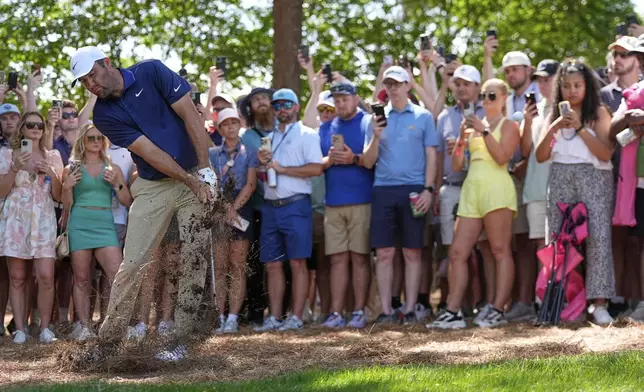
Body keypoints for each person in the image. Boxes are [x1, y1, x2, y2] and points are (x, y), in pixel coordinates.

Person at [69, 46, 216, 360]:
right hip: (153, 185)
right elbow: (149, 152)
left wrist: (203, 169)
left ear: (107, 63)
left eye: (92, 75)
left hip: (195, 172)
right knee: (132, 264)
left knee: (194, 259)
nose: (90, 84)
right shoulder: (103, 115)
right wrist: (190, 180)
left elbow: (190, 114)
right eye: (83, 82)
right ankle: (109, 343)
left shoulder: (151, 71)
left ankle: (182, 341)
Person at [429, 79, 519, 329]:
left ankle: (498, 308)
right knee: (457, 252)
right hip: (471, 189)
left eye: (492, 95)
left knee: (500, 250)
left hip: (496, 188)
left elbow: (502, 157)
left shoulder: (509, 125)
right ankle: (453, 311)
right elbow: (457, 165)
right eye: (483, 96)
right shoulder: (471, 128)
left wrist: (485, 131)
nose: (486, 100)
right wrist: (461, 138)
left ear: (503, 98)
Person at [536, 59, 615, 325]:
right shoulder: (552, 115)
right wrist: (555, 126)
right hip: (560, 175)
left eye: (578, 85)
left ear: (587, 86)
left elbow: (605, 152)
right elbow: (540, 155)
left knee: (598, 239)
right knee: (558, 240)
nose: (572, 90)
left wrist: (580, 127)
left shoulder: (600, 112)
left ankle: (599, 302)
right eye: (567, 85)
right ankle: (562, 300)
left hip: (594, 177)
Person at [362, 66, 439, 324]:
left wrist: (429, 190)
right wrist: (375, 136)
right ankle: (386, 311)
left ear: (408, 86)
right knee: (384, 253)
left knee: (412, 252)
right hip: (383, 189)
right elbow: (367, 161)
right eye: (389, 84)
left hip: (414, 189)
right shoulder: (375, 120)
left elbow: (432, 155)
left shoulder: (424, 116)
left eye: (397, 84)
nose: (393, 89)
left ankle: (409, 309)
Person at [254, 89, 323, 332]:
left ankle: (296, 317)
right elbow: (266, 173)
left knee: (297, 262)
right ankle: (274, 317)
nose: (281, 109)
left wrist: (283, 169)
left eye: (286, 104)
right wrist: (264, 165)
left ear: (296, 107)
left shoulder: (307, 134)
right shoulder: (269, 138)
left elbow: (316, 169)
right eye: (277, 105)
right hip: (271, 206)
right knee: (272, 264)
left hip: (296, 204)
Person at [61, 124, 132, 340]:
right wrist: (67, 186)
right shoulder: (71, 168)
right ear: (83, 140)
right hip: (80, 222)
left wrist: (117, 185)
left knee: (118, 274)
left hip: (105, 222)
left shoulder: (113, 168)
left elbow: (127, 201)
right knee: (82, 278)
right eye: (91, 138)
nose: (96, 141)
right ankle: (83, 326)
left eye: (100, 138)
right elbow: (66, 206)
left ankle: (117, 323)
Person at [0, 112, 64, 343]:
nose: (36, 128)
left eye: (40, 125)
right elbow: (1, 192)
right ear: (22, 129)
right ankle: (20, 330)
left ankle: (45, 329)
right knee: (17, 277)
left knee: (46, 276)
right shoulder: (7, 155)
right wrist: (15, 168)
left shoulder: (53, 156)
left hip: (43, 218)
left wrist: (52, 174)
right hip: (16, 219)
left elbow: (58, 196)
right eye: (31, 125)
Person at [319, 81, 373, 329]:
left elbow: (373, 159)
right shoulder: (326, 127)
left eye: (345, 99)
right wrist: (330, 160)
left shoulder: (367, 122)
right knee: (337, 260)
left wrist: (354, 158)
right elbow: (317, 162)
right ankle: (336, 313)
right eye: (336, 99)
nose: (340, 103)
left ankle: (360, 311)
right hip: (333, 202)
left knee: (360, 258)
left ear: (355, 98)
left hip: (362, 199)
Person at [509, 59, 560, 322]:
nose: (542, 83)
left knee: (563, 248)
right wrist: (528, 122)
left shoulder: (567, 109)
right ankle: (545, 303)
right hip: (536, 189)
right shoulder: (535, 110)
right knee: (542, 247)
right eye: (539, 79)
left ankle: (563, 302)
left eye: (547, 78)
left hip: (562, 189)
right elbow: (526, 152)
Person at [209, 108, 258, 333]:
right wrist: (223, 207)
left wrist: (233, 208)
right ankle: (219, 317)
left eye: (234, 123)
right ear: (219, 129)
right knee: (219, 266)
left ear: (240, 126)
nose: (230, 127)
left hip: (241, 207)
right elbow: (209, 182)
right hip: (218, 207)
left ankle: (233, 318)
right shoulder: (212, 154)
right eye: (225, 124)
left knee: (237, 266)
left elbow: (251, 184)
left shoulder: (250, 152)